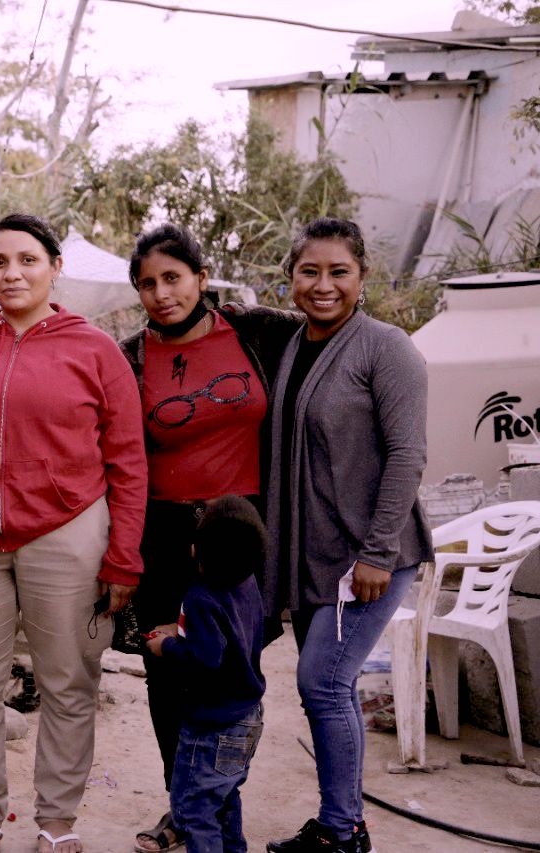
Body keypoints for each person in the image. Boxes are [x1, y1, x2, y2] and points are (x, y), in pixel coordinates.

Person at [0, 213, 147, 853]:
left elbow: (128, 461)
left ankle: (57, 820)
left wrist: (124, 558)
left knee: (68, 681)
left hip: (68, 531)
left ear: (55, 267)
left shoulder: (95, 349)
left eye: (27, 260)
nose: (12, 273)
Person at [118, 225, 300, 853]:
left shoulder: (257, 331)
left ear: (201, 277)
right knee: (168, 670)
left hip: (242, 533)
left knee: (234, 668)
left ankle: (215, 796)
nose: (161, 293)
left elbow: (326, 327)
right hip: (167, 534)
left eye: (173, 278)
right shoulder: (129, 357)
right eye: (147, 283)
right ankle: (184, 802)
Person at [262, 218, 433, 853]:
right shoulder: (290, 345)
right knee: (328, 686)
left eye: (340, 271)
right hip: (314, 554)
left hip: (372, 555)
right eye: (310, 271)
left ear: (362, 277)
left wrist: (377, 554)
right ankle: (340, 821)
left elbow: (408, 456)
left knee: (323, 682)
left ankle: (343, 831)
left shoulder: (387, 348)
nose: (324, 284)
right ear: (291, 278)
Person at [146, 495, 268, 853]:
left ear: (195, 550)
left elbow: (205, 660)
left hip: (211, 726)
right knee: (224, 796)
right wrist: (182, 632)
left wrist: (166, 647)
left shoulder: (200, 597)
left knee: (195, 810)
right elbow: (228, 638)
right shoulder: (247, 583)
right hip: (247, 717)